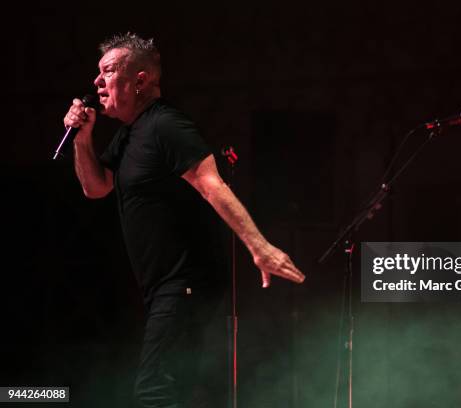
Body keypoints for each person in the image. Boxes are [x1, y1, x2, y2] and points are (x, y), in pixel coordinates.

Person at [63, 32, 305, 408]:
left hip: (186, 283)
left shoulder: (166, 126)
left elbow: (213, 186)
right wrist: (82, 137)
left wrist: (259, 246)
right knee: (171, 390)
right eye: (98, 72)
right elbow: (96, 188)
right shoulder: (129, 136)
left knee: (154, 392)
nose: (96, 82)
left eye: (108, 72)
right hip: (164, 287)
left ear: (140, 80)